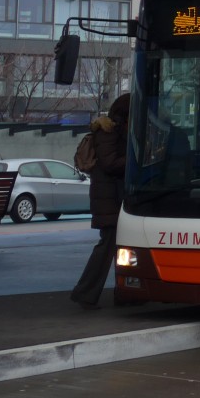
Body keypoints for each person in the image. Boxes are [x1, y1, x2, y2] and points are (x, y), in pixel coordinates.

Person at [70, 93, 129, 310]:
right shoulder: (108, 132)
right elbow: (110, 163)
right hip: (109, 199)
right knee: (107, 247)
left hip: (112, 198)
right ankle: (85, 293)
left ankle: (123, 294)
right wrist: (136, 157)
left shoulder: (115, 132)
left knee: (115, 247)